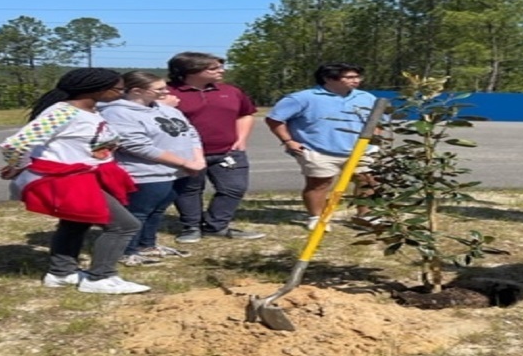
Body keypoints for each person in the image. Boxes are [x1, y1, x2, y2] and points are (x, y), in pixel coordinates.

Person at [0, 68, 150, 295]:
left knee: (76, 223)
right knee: (124, 226)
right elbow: (16, 144)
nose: (122, 93)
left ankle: (61, 273)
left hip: (85, 176)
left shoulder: (91, 110)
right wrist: (18, 166)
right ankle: (100, 277)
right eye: (118, 89)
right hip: (67, 179)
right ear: (96, 89)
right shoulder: (63, 112)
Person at [99, 70, 206, 266]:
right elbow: (138, 146)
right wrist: (184, 162)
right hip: (147, 174)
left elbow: (190, 132)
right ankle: (128, 251)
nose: (166, 92)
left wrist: (197, 159)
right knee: (138, 212)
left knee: (157, 210)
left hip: (179, 172)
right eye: (159, 89)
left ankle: (147, 245)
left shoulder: (166, 109)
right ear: (137, 91)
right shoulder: (117, 112)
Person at [166, 52, 265, 242]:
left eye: (220, 67)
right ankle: (191, 227)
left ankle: (216, 226)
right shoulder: (168, 94)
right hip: (186, 154)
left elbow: (245, 114)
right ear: (191, 71)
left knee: (234, 188)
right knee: (189, 190)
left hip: (228, 152)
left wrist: (241, 139)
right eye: (213, 68)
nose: (222, 71)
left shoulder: (231, 91)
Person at [265, 63, 377, 230]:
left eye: (357, 77)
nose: (356, 80)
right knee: (319, 184)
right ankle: (317, 218)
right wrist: (288, 141)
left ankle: (365, 216)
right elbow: (274, 119)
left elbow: (377, 121)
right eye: (350, 77)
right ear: (328, 79)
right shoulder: (302, 98)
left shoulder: (366, 97)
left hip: (361, 150)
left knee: (368, 182)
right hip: (317, 150)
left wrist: (375, 140)